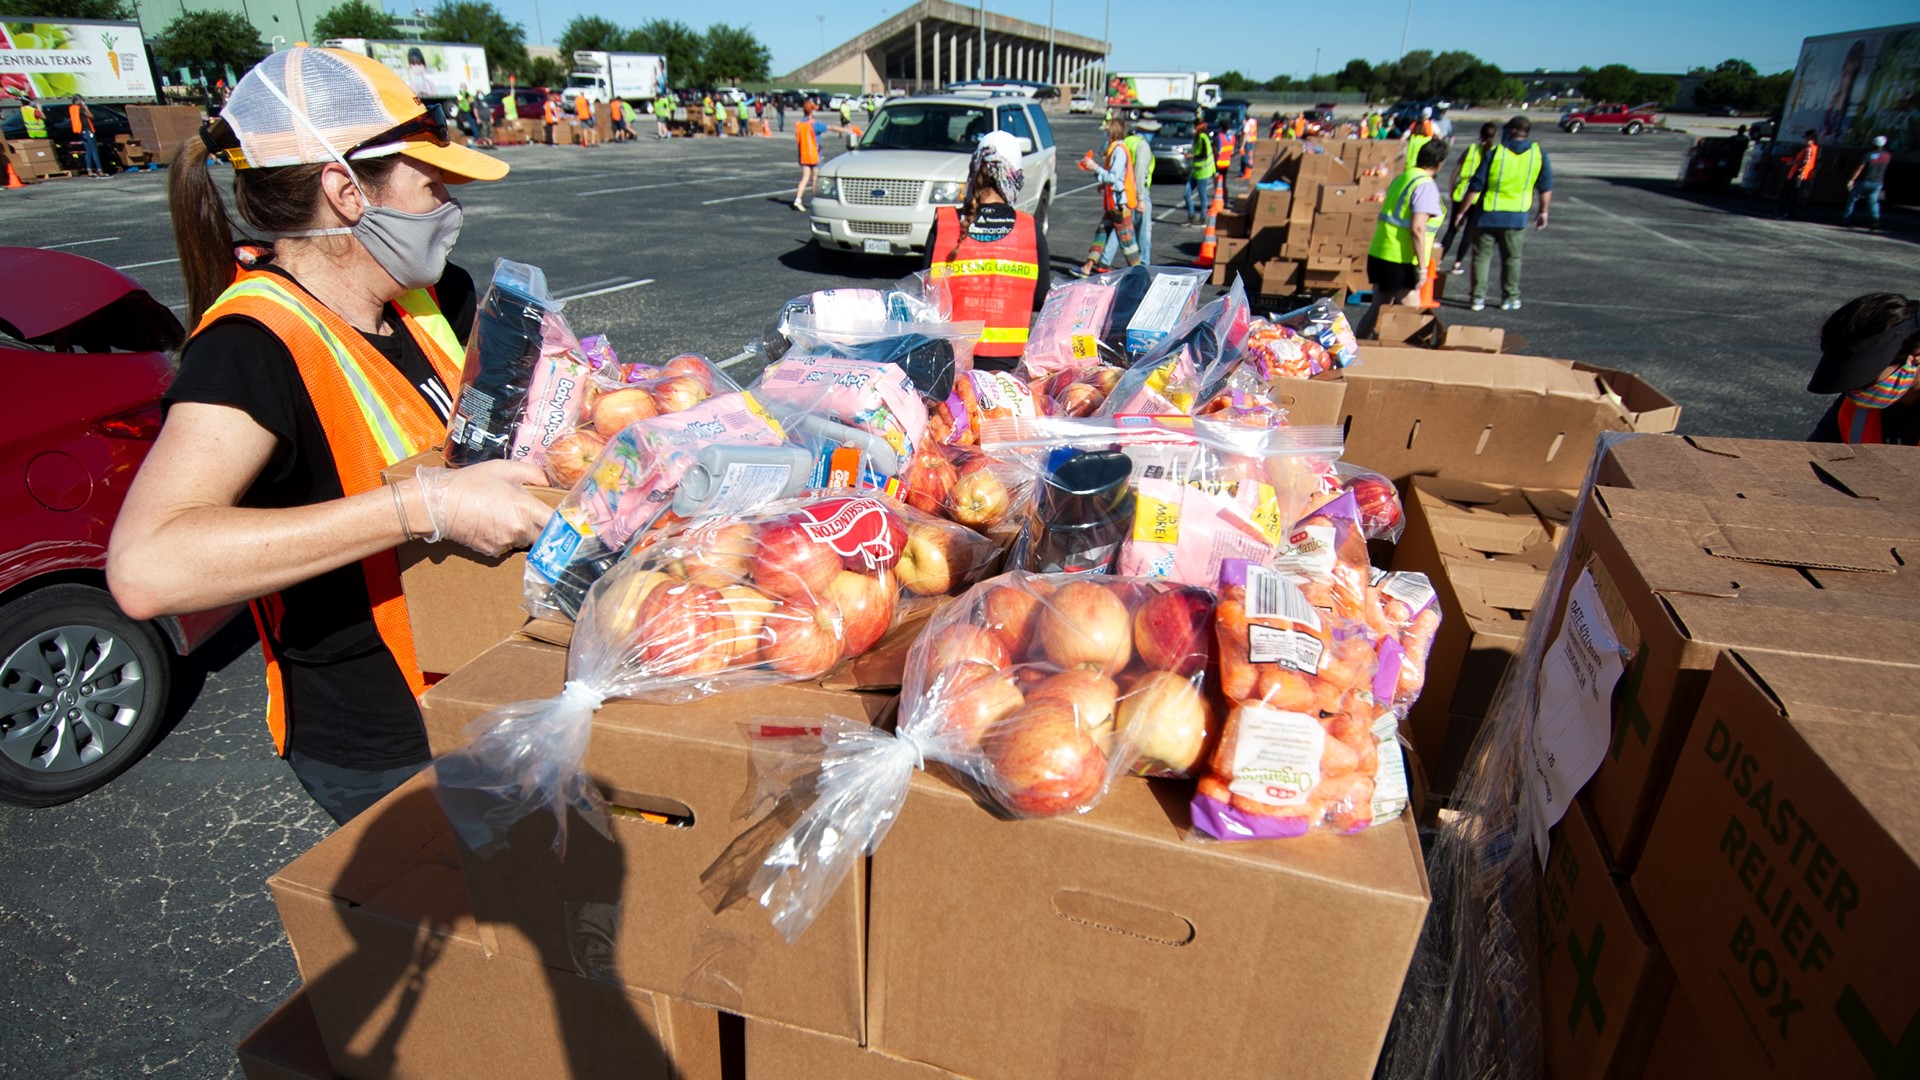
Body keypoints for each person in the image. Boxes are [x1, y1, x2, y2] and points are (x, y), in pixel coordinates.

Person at [107, 46, 549, 824]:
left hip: (488, 683)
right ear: (347, 191)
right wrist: (424, 508)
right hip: (386, 743)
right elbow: (146, 568)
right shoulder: (251, 346)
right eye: (431, 184)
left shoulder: (429, 293)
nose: (451, 206)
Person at [922, 131, 1049, 372]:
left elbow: (923, 291)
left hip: (947, 364)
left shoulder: (945, 223)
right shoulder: (1029, 229)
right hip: (1005, 368)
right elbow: (1041, 298)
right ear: (1014, 178)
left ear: (974, 172)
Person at [1458, 115, 1551, 312]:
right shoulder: (1537, 154)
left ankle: (1478, 298)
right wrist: (1543, 211)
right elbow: (1545, 186)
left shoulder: (1496, 153)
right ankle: (1510, 297)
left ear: (1513, 131)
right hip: (1516, 216)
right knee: (1512, 259)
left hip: (1488, 214)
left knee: (1482, 258)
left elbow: (1476, 186)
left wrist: (1461, 212)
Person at [1357, 138, 1447, 339]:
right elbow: (1417, 227)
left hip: (1381, 251)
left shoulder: (1403, 178)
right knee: (1413, 312)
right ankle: (1411, 355)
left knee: (1378, 308)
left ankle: (1357, 348)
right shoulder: (1425, 185)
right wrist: (1423, 268)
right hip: (1399, 257)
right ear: (1440, 162)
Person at [1807, 293, 1920, 444]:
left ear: (1916, 355)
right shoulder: (1852, 410)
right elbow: (1816, 456)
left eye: (1867, 378)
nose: (1857, 390)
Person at [1077, 119, 1141, 275]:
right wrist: (1103, 185)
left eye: (1107, 131)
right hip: (1113, 205)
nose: (1105, 134)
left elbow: (1113, 177)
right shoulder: (1115, 149)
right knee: (1102, 232)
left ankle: (1140, 273)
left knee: (1128, 242)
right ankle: (1087, 266)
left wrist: (1095, 167)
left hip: (1119, 206)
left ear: (1112, 132)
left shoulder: (1119, 151)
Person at [1441, 122, 1497, 276]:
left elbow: (1455, 173)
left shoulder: (1470, 150)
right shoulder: (1495, 154)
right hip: (1478, 197)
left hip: (1462, 192)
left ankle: (1439, 259)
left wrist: (1452, 189)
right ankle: (1457, 263)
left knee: (1452, 229)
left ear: (1480, 135)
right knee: (1468, 232)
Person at [1103, 120, 1154, 264]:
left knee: (1120, 227)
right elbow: (1139, 172)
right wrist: (1141, 198)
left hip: (1123, 191)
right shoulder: (1143, 145)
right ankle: (1143, 262)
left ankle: (1105, 259)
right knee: (1143, 230)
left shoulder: (1127, 141)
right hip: (1136, 191)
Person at [791, 102, 846, 211]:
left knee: (805, 178)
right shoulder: (814, 124)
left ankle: (798, 199)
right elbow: (831, 127)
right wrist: (845, 130)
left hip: (803, 154)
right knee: (815, 178)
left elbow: (799, 141)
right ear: (811, 111)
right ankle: (817, 199)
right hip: (814, 155)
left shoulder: (800, 124)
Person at [1841, 135, 1892, 231]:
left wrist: (1852, 179)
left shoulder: (1868, 155)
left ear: (1873, 144)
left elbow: (1860, 168)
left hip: (1865, 181)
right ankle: (1875, 220)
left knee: (1852, 200)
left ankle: (1846, 219)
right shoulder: (1887, 156)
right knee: (1873, 203)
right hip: (1878, 182)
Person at [1776, 130, 1817, 220]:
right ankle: (1784, 211)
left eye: (1806, 138)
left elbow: (1805, 161)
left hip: (1797, 173)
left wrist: (1793, 163)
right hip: (1798, 173)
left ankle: (1786, 212)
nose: (1804, 140)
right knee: (1790, 194)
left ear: (1810, 138)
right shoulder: (1811, 148)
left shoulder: (1809, 148)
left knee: (1791, 194)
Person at [1185, 117, 1216, 225]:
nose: (1194, 128)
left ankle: (1203, 218)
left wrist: (1191, 156)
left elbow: (1203, 154)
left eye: (1195, 126)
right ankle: (1192, 215)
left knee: (1202, 195)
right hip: (1196, 170)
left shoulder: (1202, 137)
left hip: (1203, 171)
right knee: (1186, 193)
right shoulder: (1198, 137)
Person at [69, 95, 104, 176]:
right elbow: (91, 116)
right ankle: (100, 170)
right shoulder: (80, 108)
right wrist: (85, 107)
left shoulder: (72, 108)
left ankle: (89, 171)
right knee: (94, 151)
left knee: (88, 152)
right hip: (88, 131)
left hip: (81, 132)